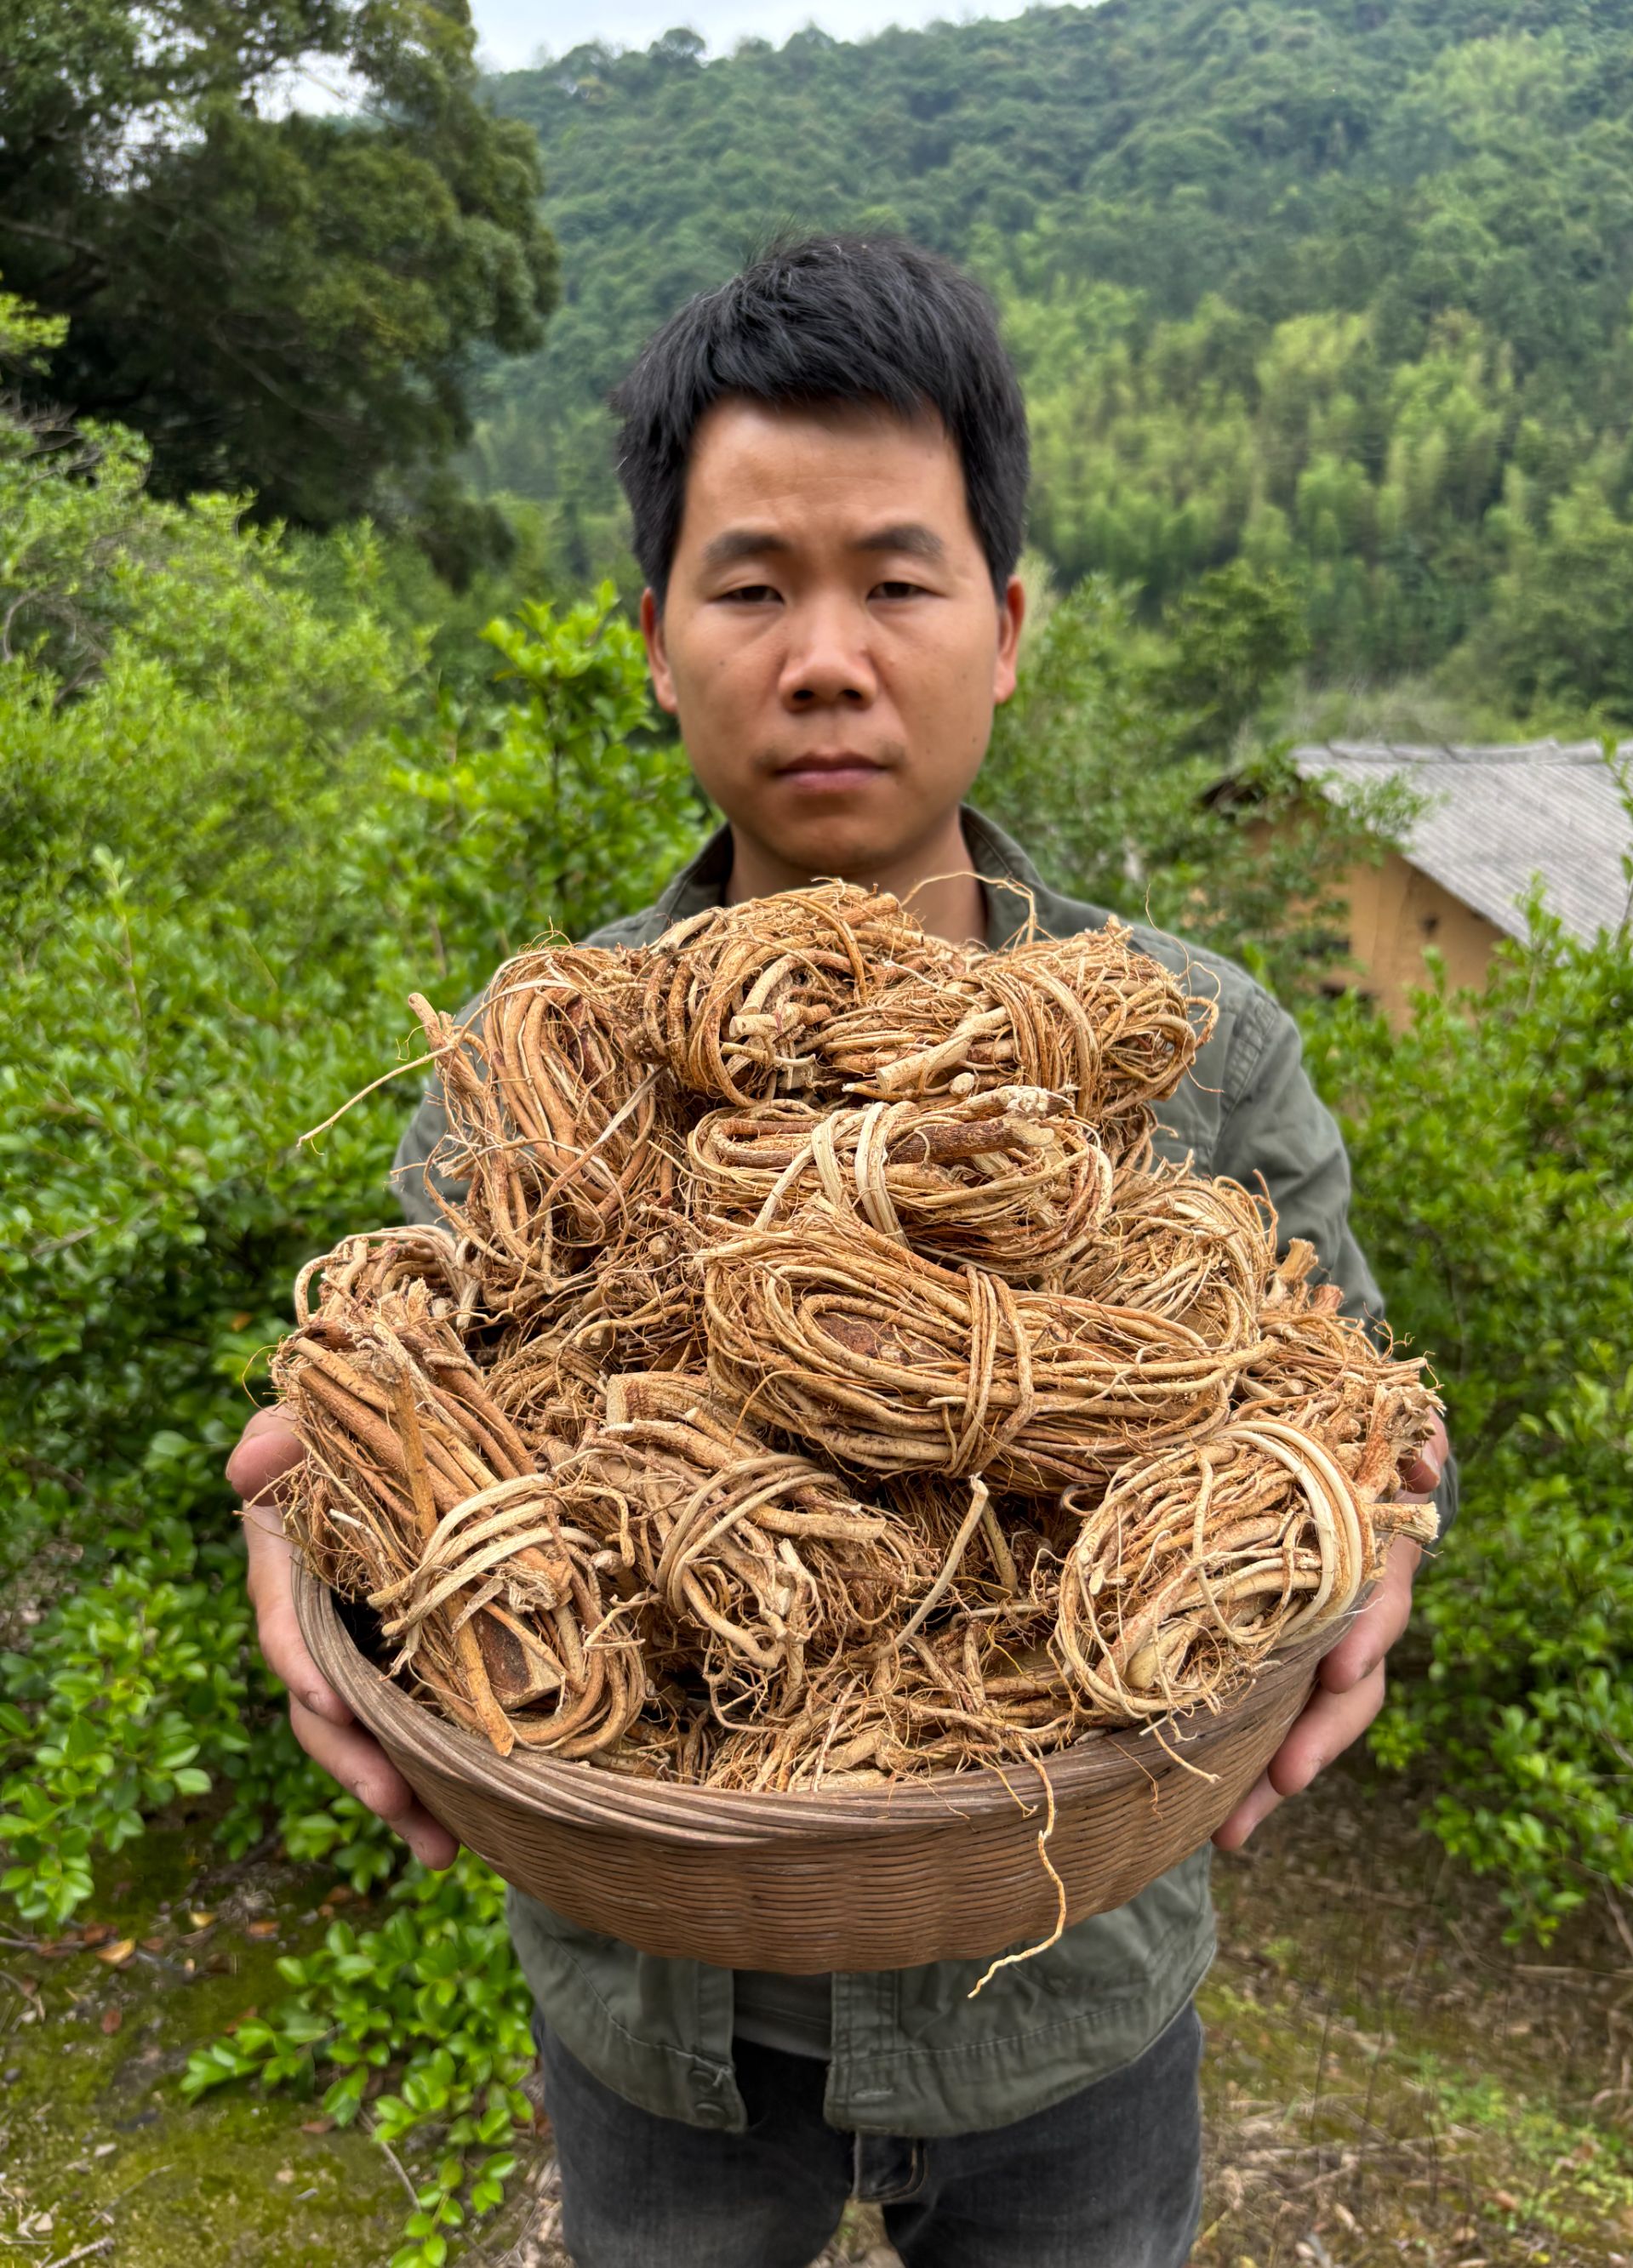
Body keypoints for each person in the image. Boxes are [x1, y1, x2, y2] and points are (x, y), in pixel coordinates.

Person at [229, 235, 1455, 2268]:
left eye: (894, 581)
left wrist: (1383, 1523)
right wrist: (320, 1514)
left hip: (1070, 1998)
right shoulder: (539, 1061)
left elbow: (1363, 1405)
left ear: (1006, 625)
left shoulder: (1195, 1046)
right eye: (749, 588)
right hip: (657, 2021)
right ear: (652, 640)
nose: (823, 657)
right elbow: (380, 1388)